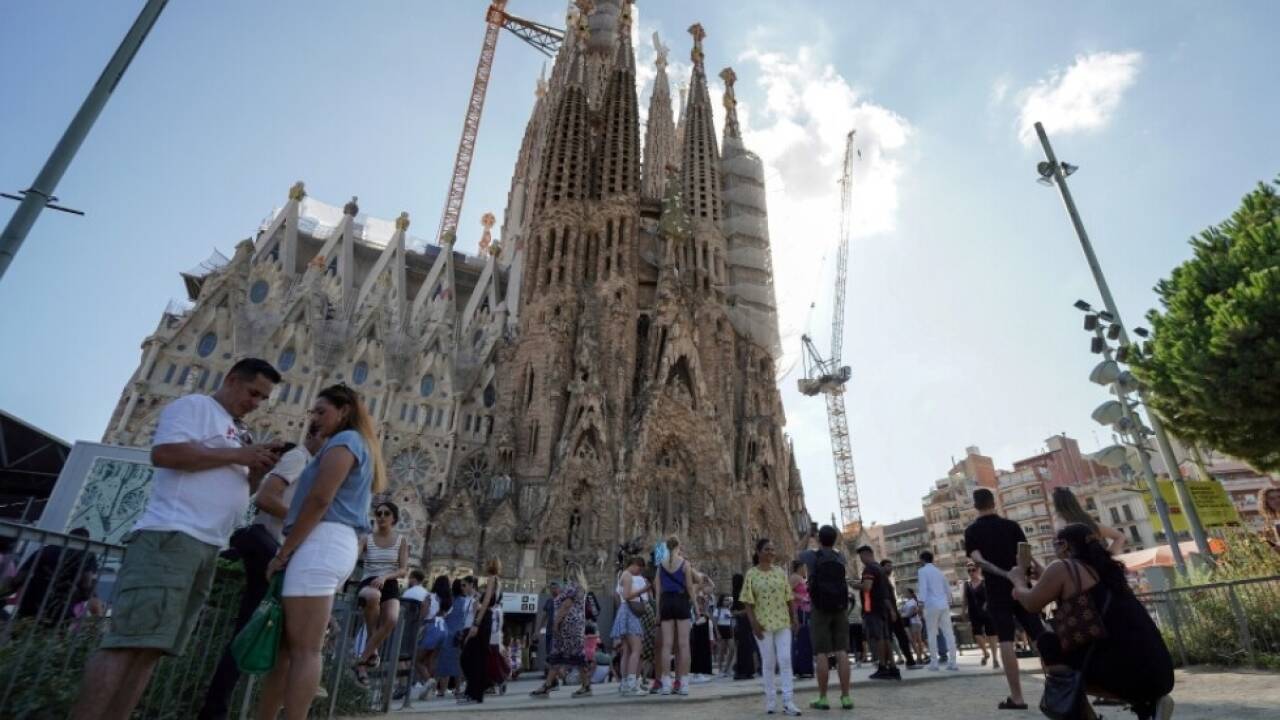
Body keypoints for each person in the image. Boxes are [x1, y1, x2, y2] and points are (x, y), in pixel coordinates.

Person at [70, 358, 282, 720]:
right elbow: (164, 454)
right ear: (231, 380)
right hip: (171, 536)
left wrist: (255, 474)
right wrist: (238, 454)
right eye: (253, 393)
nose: (257, 403)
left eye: (263, 398)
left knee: (152, 648)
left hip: (205, 546)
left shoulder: (235, 430)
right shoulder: (195, 407)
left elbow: (235, 489)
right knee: (126, 643)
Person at [254, 384, 386, 720]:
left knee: (305, 650)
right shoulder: (355, 444)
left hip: (321, 543)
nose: (315, 419)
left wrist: (284, 551)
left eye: (321, 411)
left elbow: (319, 500)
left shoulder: (346, 442)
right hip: (329, 545)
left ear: (344, 411)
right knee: (287, 649)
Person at [199, 429, 323, 720]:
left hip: (278, 555)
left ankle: (223, 707)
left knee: (262, 635)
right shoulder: (298, 458)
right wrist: (301, 523)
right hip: (270, 554)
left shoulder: (310, 466)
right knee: (251, 633)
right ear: (317, 437)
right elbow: (265, 498)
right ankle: (215, 709)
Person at [1010, 524, 1175, 720]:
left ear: (1063, 545)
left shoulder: (1062, 568)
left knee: (1049, 645)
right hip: (1158, 671)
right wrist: (1045, 574)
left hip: (1122, 673)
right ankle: (1147, 706)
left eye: (1054, 545)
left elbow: (1031, 604)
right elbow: (1079, 588)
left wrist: (1018, 579)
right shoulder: (1106, 568)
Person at [964, 487, 1046, 711]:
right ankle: (1057, 689)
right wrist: (1026, 573)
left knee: (1006, 641)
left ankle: (1017, 698)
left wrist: (1003, 573)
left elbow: (978, 561)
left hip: (997, 590)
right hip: (1021, 585)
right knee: (1038, 633)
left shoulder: (972, 531)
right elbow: (1025, 554)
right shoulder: (1012, 526)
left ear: (975, 506)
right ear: (994, 503)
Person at [741, 538, 802, 716]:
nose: (771, 553)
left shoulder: (780, 572)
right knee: (768, 662)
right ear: (758, 552)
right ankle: (770, 700)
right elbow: (747, 602)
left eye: (772, 550)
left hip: (782, 621)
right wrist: (754, 624)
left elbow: (788, 596)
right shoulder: (751, 574)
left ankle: (788, 701)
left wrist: (794, 617)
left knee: (785, 659)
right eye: (767, 549)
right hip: (763, 623)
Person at [353, 501, 409, 684]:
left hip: (390, 581)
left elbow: (403, 570)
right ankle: (371, 651)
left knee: (392, 619)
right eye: (378, 513)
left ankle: (362, 660)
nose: (382, 516)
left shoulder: (401, 541)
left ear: (394, 518)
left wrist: (385, 577)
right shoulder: (366, 538)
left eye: (386, 513)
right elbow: (354, 555)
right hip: (369, 581)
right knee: (373, 596)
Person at [805, 524, 852, 711]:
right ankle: (846, 697)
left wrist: (808, 536)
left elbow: (796, 553)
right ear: (835, 539)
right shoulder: (840, 556)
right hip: (840, 606)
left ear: (818, 539)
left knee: (822, 653)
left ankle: (823, 698)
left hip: (820, 607)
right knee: (842, 651)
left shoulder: (812, 556)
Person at [13, 527, 99, 627]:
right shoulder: (87, 556)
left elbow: (19, 578)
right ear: (86, 542)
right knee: (50, 639)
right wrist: (83, 596)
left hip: (30, 605)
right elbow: (86, 584)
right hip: (60, 608)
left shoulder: (45, 550)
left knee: (21, 636)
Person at [532, 565, 592, 698]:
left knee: (568, 655)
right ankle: (549, 685)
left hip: (567, 628)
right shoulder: (580, 587)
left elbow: (566, 606)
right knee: (564, 656)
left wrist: (556, 623)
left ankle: (584, 686)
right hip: (575, 627)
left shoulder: (572, 586)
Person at [656, 535, 704, 695]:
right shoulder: (685, 564)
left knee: (666, 645)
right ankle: (683, 683)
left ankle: (666, 684)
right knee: (683, 645)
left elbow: (658, 592)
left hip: (666, 603)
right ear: (679, 546)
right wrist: (696, 609)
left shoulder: (660, 565)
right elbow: (690, 588)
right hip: (681, 601)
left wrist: (658, 612)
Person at [459, 560, 502, 704]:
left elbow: (487, 601)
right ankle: (475, 691)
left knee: (469, 656)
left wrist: (476, 622)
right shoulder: (497, 581)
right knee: (476, 656)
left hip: (483, 620)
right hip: (485, 619)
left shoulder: (491, 579)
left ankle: (474, 692)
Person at [856, 545, 898, 681]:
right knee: (886, 638)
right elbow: (886, 592)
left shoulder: (869, 569)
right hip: (883, 608)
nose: (861, 560)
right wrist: (891, 609)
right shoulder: (880, 569)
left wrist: (855, 585)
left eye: (862, 557)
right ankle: (892, 667)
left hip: (872, 608)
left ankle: (882, 667)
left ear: (868, 554)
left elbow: (867, 587)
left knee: (879, 638)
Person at [611, 555, 650, 696]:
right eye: (639, 568)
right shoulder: (628, 576)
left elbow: (618, 596)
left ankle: (625, 683)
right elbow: (627, 596)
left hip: (624, 611)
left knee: (627, 651)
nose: (639, 572)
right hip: (629, 612)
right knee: (636, 649)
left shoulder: (623, 575)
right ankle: (632, 685)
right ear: (634, 564)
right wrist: (643, 590)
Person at [1052, 486, 1127, 554]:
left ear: (1056, 506)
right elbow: (1120, 536)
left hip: (1079, 568)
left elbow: (1061, 553)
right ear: (1075, 502)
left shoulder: (1060, 525)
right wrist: (1107, 558)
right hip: (1099, 567)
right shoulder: (1089, 523)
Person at [916, 551, 958, 672]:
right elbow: (947, 589)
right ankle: (953, 663)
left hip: (931, 605)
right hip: (943, 604)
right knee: (949, 633)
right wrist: (949, 601)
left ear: (922, 560)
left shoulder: (922, 571)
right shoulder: (939, 572)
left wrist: (920, 605)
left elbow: (923, 588)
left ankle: (934, 664)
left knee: (931, 634)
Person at [435, 578, 470, 699]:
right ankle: (458, 689)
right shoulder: (466, 601)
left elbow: (442, 615)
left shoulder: (449, 600)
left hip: (447, 633)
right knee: (457, 662)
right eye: (464, 585)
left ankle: (442, 690)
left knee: (444, 662)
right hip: (459, 635)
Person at [880, 559, 918, 668]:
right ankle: (888, 664)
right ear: (882, 567)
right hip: (888, 613)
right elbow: (884, 597)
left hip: (893, 611)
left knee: (901, 637)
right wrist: (891, 611)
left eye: (891, 566)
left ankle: (910, 661)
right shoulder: (882, 579)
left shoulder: (887, 579)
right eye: (887, 566)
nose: (890, 568)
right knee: (889, 638)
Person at [962, 562, 999, 668]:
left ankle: (995, 659)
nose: (971, 572)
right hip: (974, 613)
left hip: (988, 612)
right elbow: (965, 598)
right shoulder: (966, 584)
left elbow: (992, 595)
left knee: (992, 635)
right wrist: (963, 611)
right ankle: (986, 653)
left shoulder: (985, 582)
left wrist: (987, 604)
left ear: (978, 570)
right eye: (969, 570)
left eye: (973, 570)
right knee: (977, 635)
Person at [788, 560, 814, 679]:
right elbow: (787, 592)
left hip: (806, 611)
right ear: (799, 567)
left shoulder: (800, 578)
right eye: (804, 568)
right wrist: (802, 597)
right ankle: (802, 668)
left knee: (806, 640)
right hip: (800, 611)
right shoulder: (795, 578)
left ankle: (804, 668)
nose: (805, 570)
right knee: (803, 640)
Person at [689, 591, 715, 681]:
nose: (702, 601)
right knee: (697, 653)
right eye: (700, 599)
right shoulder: (694, 609)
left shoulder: (704, 609)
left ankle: (699, 673)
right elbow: (695, 620)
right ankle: (697, 673)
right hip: (697, 631)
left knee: (702, 652)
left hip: (703, 632)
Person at [538, 580, 561, 678]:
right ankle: (550, 673)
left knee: (555, 652)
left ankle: (554, 675)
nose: (553, 590)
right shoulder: (549, 601)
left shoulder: (562, 601)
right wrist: (538, 629)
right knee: (549, 652)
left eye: (555, 588)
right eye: (551, 588)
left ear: (559, 589)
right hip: (549, 631)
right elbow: (544, 616)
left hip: (558, 632)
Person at [901, 589, 926, 662]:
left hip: (913, 622)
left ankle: (919, 656)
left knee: (914, 640)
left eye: (906, 593)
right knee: (918, 640)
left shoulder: (912, 602)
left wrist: (903, 615)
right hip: (915, 622)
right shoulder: (911, 601)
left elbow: (911, 612)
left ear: (910, 594)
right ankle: (920, 656)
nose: (905, 594)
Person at [714, 594, 736, 676]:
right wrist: (717, 633)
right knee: (721, 651)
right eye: (725, 600)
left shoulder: (729, 610)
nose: (727, 601)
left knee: (732, 649)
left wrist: (732, 632)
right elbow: (715, 623)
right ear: (721, 601)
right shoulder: (718, 610)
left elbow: (731, 622)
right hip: (721, 629)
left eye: (728, 600)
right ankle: (720, 670)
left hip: (729, 630)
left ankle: (727, 668)